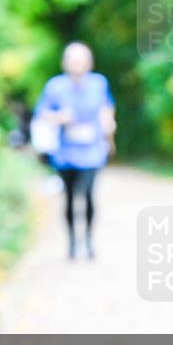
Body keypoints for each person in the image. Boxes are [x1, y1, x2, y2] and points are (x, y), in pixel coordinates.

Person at [35, 42, 116, 260]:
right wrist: (59, 117)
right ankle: (72, 242)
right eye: (73, 61)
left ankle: (88, 239)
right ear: (65, 63)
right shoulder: (55, 86)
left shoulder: (99, 83)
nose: (77, 66)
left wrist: (110, 135)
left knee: (88, 195)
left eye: (81, 61)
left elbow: (106, 109)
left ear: (89, 63)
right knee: (69, 198)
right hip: (66, 153)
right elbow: (42, 113)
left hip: (93, 151)